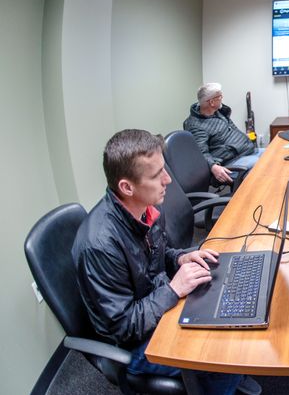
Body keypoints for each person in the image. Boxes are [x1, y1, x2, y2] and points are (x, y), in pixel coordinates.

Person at [72, 129, 261, 395]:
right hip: (134, 344)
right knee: (219, 348)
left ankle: (226, 375)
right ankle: (222, 376)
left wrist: (181, 256)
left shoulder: (146, 209)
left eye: (165, 168)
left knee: (231, 304)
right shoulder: (100, 245)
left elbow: (158, 256)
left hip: (156, 302)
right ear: (127, 187)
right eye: (156, 175)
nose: (168, 180)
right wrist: (173, 290)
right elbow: (122, 327)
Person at [184, 82, 263, 184]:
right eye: (220, 96)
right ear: (212, 102)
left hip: (244, 151)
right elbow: (200, 153)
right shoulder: (196, 126)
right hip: (229, 163)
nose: (222, 98)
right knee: (262, 165)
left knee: (271, 153)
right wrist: (213, 166)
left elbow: (233, 129)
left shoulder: (218, 112)